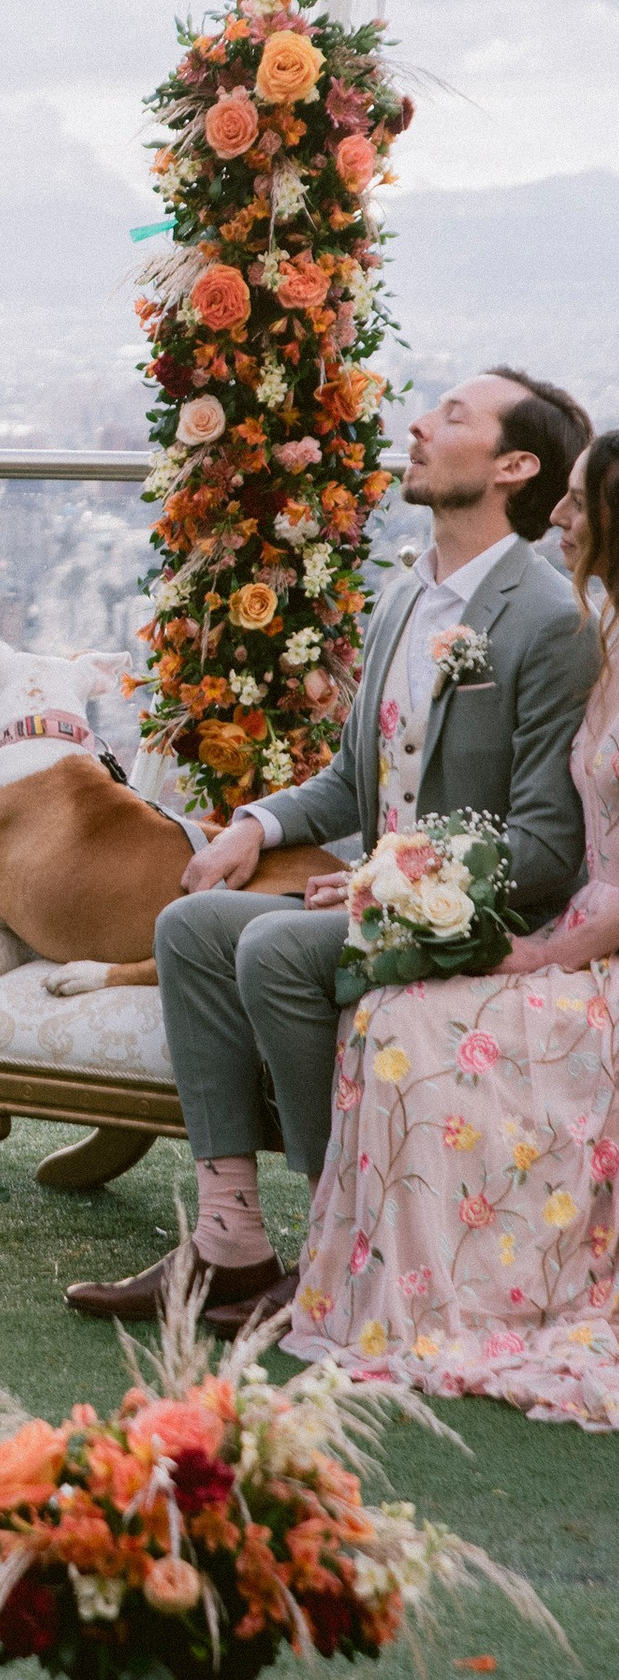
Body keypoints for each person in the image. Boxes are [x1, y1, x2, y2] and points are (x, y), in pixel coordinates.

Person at [67, 370, 599, 1332]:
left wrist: (389, 890)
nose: (420, 424)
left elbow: (548, 849)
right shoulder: (402, 600)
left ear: (515, 466)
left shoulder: (550, 621)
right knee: (191, 925)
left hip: (481, 923)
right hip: (375, 906)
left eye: (452, 416)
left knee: (271, 948)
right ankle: (231, 1243)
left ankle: (331, 1249)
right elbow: (358, 781)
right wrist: (256, 826)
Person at [285, 432, 619, 1423]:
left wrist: (544, 949)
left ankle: (472, 1298)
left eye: (578, 506)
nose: (558, 519)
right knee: (393, 1005)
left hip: (593, 944)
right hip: (583, 929)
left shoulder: (568, 630)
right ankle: (381, 1296)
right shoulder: (608, 641)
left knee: (415, 1033)